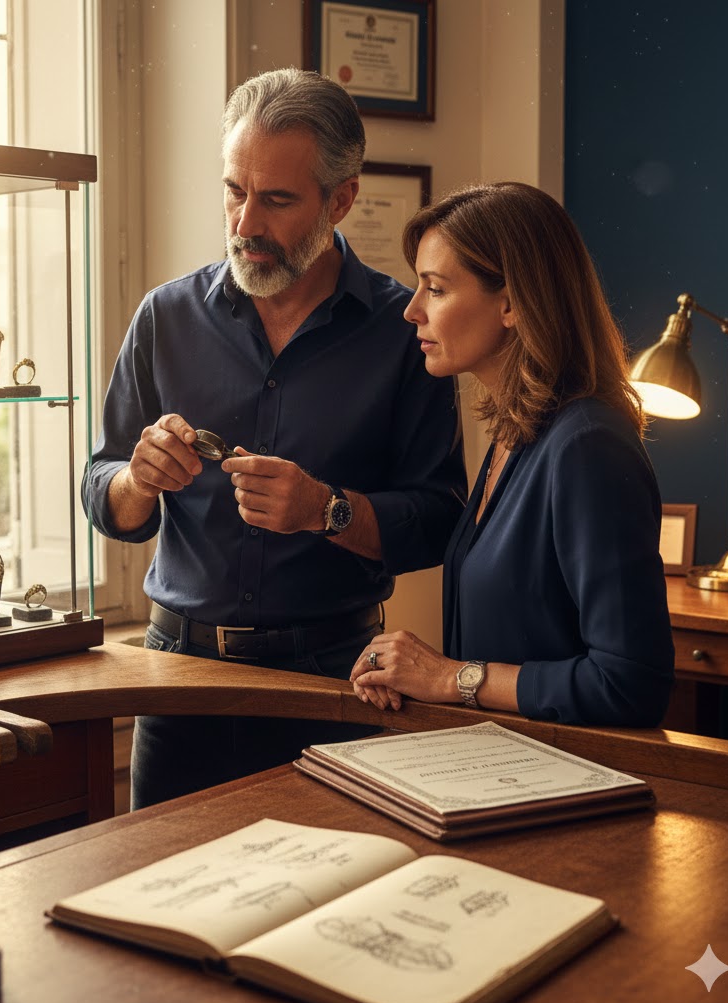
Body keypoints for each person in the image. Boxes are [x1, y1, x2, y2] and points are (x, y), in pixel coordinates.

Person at [82, 69, 466, 808]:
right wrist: (137, 481)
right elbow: (103, 490)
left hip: (331, 682)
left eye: (276, 199)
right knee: (160, 900)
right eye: (234, 190)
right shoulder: (164, 317)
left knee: (327, 910)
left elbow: (441, 520)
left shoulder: (405, 332)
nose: (244, 223)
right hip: (178, 680)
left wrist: (328, 509)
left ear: (342, 198)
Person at [351, 182, 674, 726]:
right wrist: (410, 672)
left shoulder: (587, 444)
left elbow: (630, 682)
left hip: (567, 781)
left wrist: (447, 677)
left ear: (511, 303)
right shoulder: (516, 433)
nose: (412, 311)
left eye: (435, 289)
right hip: (503, 765)